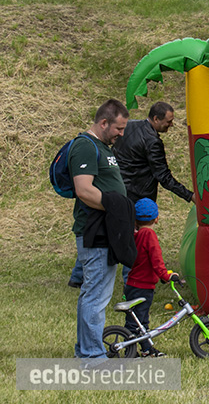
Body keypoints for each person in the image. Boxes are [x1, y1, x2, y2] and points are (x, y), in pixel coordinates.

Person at [70, 101, 193, 288]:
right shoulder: (152, 141)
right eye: (168, 122)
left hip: (113, 189)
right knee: (134, 238)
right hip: (136, 195)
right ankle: (133, 282)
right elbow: (163, 176)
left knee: (98, 233)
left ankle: (78, 275)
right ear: (155, 119)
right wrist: (189, 196)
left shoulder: (128, 127)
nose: (171, 125)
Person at [70, 99, 130, 359]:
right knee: (95, 296)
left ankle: (86, 351)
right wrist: (116, 207)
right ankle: (92, 356)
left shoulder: (103, 147)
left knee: (94, 295)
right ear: (103, 122)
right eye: (118, 128)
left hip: (106, 230)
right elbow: (84, 190)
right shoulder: (85, 146)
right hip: (95, 233)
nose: (121, 134)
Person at [124, 198, 178, 357]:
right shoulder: (149, 235)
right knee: (137, 322)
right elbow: (156, 260)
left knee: (139, 321)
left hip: (133, 284)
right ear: (157, 218)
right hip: (142, 287)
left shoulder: (137, 234)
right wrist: (166, 275)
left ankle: (146, 349)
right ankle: (133, 350)